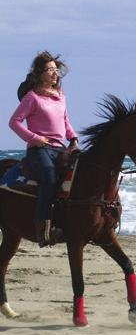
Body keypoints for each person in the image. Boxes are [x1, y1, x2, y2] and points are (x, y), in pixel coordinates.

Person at [9, 52, 79, 247]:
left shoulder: (60, 97)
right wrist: (35, 138)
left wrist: (72, 137)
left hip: (60, 148)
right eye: (50, 70)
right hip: (39, 149)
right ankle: (42, 230)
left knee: (77, 177)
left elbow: (65, 121)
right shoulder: (32, 97)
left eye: (57, 70)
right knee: (49, 177)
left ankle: (64, 224)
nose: (55, 74)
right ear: (40, 73)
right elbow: (14, 122)